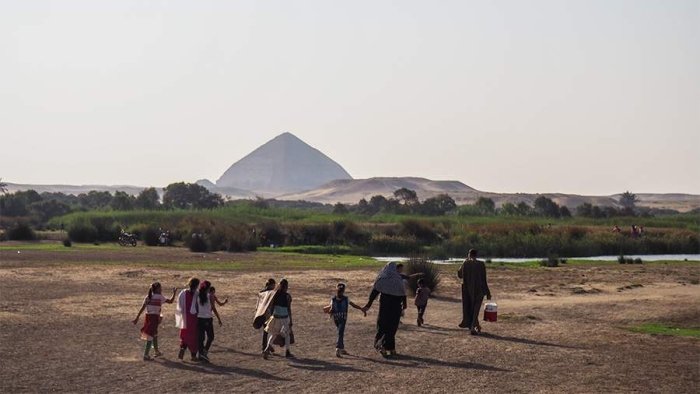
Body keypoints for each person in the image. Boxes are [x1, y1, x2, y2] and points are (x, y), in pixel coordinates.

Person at [362, 262, 407, 358]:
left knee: (382, 326)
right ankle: (390, 348)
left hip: (385, 307)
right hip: (396, 308)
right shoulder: (399, 280)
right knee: (392, 327)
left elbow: (374, 292)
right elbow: (403, 295)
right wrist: (404, 306)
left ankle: (381, 345)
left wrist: (368, 305)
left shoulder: (382, 279)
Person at [132, 282, 177, 361]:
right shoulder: (159, 297)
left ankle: (156, 351)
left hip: (148, 317)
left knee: (154, 333)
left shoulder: (148, 297)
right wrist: (174, 293)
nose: (161, 289)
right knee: (150, 336)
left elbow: (142, 308)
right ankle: (146, 355)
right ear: (157, 289)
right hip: (154, 318)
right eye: (160, 288)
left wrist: (137, 318)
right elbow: (171, 301)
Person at [326, 283, 366, 357]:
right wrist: (361, 308)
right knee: (340, 333)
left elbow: (331, 308)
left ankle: (341, 348)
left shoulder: (333, 299)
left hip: (336, 318)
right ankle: (338, 348)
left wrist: (329, 313)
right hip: (343, 318)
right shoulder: (346, 299)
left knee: (340, 331)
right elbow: (353, 305)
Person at [457, 249, 491, 335]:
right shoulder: (481, 264)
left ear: (469, 254)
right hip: (480, 289)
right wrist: (488, 292)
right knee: (476, 308)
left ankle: (473, 326)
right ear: (476, 255)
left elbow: (460, 275)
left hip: (468, 290)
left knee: (470, 308)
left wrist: (464, 263)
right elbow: (484, 279)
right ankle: (475, 326)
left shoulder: (466, 263)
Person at [190, 281, 221, 362]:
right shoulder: (209, 296)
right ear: (207, 288)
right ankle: (204, 352)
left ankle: (201, 354)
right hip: (208, 319)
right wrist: (219, 318)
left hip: (200, 319)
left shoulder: (198, 296)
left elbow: (196, 308)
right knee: (211, 337)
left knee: (201, 338)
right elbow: (213, 308)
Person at [263, 279, 294, 359]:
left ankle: (267, 348)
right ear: (286, 287)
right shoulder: (288, 296)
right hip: (284, 318)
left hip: (275, 317)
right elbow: (289, 309)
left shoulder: (274, 295)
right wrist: (291, 320)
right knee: (287, 335)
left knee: (273, 334)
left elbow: (271, 306)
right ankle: (287, 351)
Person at [175, 278, 200, 361]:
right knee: (194, 337)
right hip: (194, 318)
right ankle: (193, 355)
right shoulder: (197, 294)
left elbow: (179, 305)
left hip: (185, 317)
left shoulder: (183, 293)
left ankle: (182, 348)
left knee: (185, 335)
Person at [254, 279, 276, 354]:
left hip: (261, 313)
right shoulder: (271, 293)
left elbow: (257, 305)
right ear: (271, 285)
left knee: (267, 331)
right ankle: (266, 347)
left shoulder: (261, 292)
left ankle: (268, 346)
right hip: (267, 314)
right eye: (274, 285)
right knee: (269, 331)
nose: (274, 286)